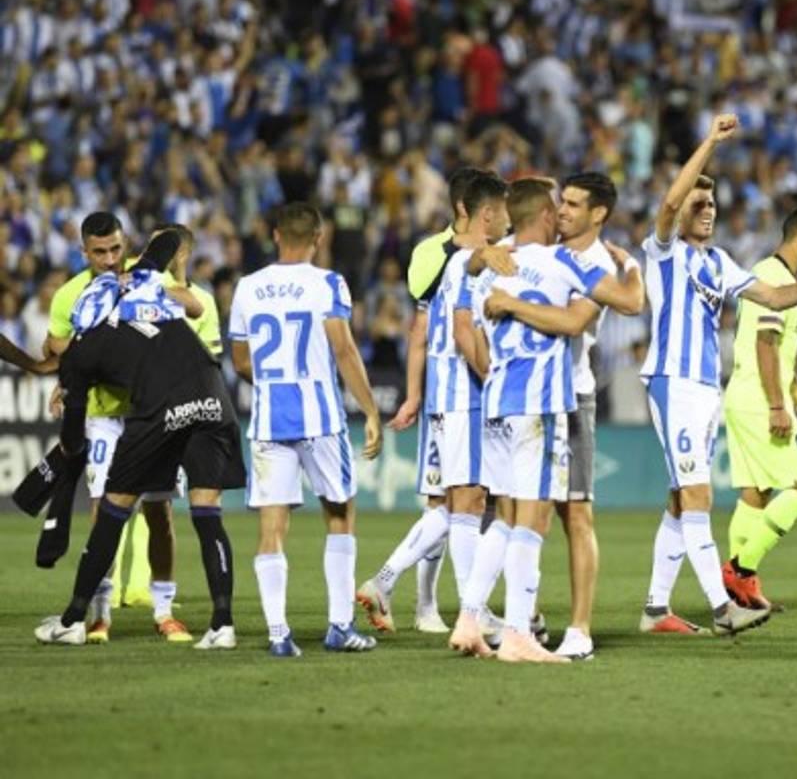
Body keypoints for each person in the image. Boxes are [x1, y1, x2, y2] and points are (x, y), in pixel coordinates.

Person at [637, 114, 797, 638]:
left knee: (680, 499)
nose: (706, 210)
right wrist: (708, 143)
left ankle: (656, 609)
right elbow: (666, 204)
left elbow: (774, 296)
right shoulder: (663, 251)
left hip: (706, 391)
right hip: (674, 382)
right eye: (697, 203)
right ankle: (724, 607)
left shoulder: (719, 262)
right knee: (699, 498)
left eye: (712, 204)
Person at [447, 175, 644, 663]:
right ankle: (518, 634)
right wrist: (633, 269)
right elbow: (626, 305)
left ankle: (471, 617)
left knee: (509, 516)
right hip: (544, 403)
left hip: (496, 400)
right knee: (532, 521)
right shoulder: (564, 261)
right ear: (548, 216)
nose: (564, 213)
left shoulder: (495, 262)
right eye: (560, 206)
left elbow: (467, 323)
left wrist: (490, 369)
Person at [34, 229, 244, 649]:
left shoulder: (82, 351)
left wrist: (67, 449)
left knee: (113, 510)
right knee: (206, 512)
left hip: (160, 410)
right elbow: (165, 244)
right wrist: (153, 260)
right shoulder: (144, 284)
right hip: (212, 397)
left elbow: (73, 434)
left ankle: (74, 619)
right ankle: (222, 625)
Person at [357, 171, 510, 630]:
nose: (509, 220)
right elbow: (460, 333)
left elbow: (422, 327)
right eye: (504, 211)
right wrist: (495, 380)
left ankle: (387, 582)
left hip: (446, 394)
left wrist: (416, 394)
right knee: (468, 501)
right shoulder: (465, 261)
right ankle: (471, 613)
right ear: (483, 213)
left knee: (453, 502)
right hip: (465, 394)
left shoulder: (459, 263)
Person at [229, 203, 383, 656]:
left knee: (272, 525)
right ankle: (339, 626)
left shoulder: (247, 287)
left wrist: (277, 384)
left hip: (269, 420)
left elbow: (240, 361)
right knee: (340, 513)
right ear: (319, 238)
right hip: (320, 419)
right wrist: (371, 410)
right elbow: (344, 350)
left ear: (275, 235)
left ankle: (279, 634)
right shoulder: (328, 283)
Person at [721, 208, 797, 610]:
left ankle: (739, 591)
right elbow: (764, 344)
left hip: (745, 395)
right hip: (758, 400)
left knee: (756, 493)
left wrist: (796, 390)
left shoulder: (779, 278)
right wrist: (776, 405)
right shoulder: (773, 278)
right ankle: (741, 568)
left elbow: (777, 349)